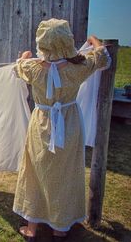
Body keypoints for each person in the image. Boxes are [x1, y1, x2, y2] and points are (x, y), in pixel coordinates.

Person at [12, 18, 110, 242]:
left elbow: (18, 65)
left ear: (42, 42)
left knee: (36, 173)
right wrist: (92, 40)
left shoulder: (33, 68)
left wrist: (27, 54)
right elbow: (102, 57)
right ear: (67, 41)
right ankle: (60, 229)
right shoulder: (79, 67)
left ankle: (32, 229)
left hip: (41, 125)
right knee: (65, 175)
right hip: (69, 125)